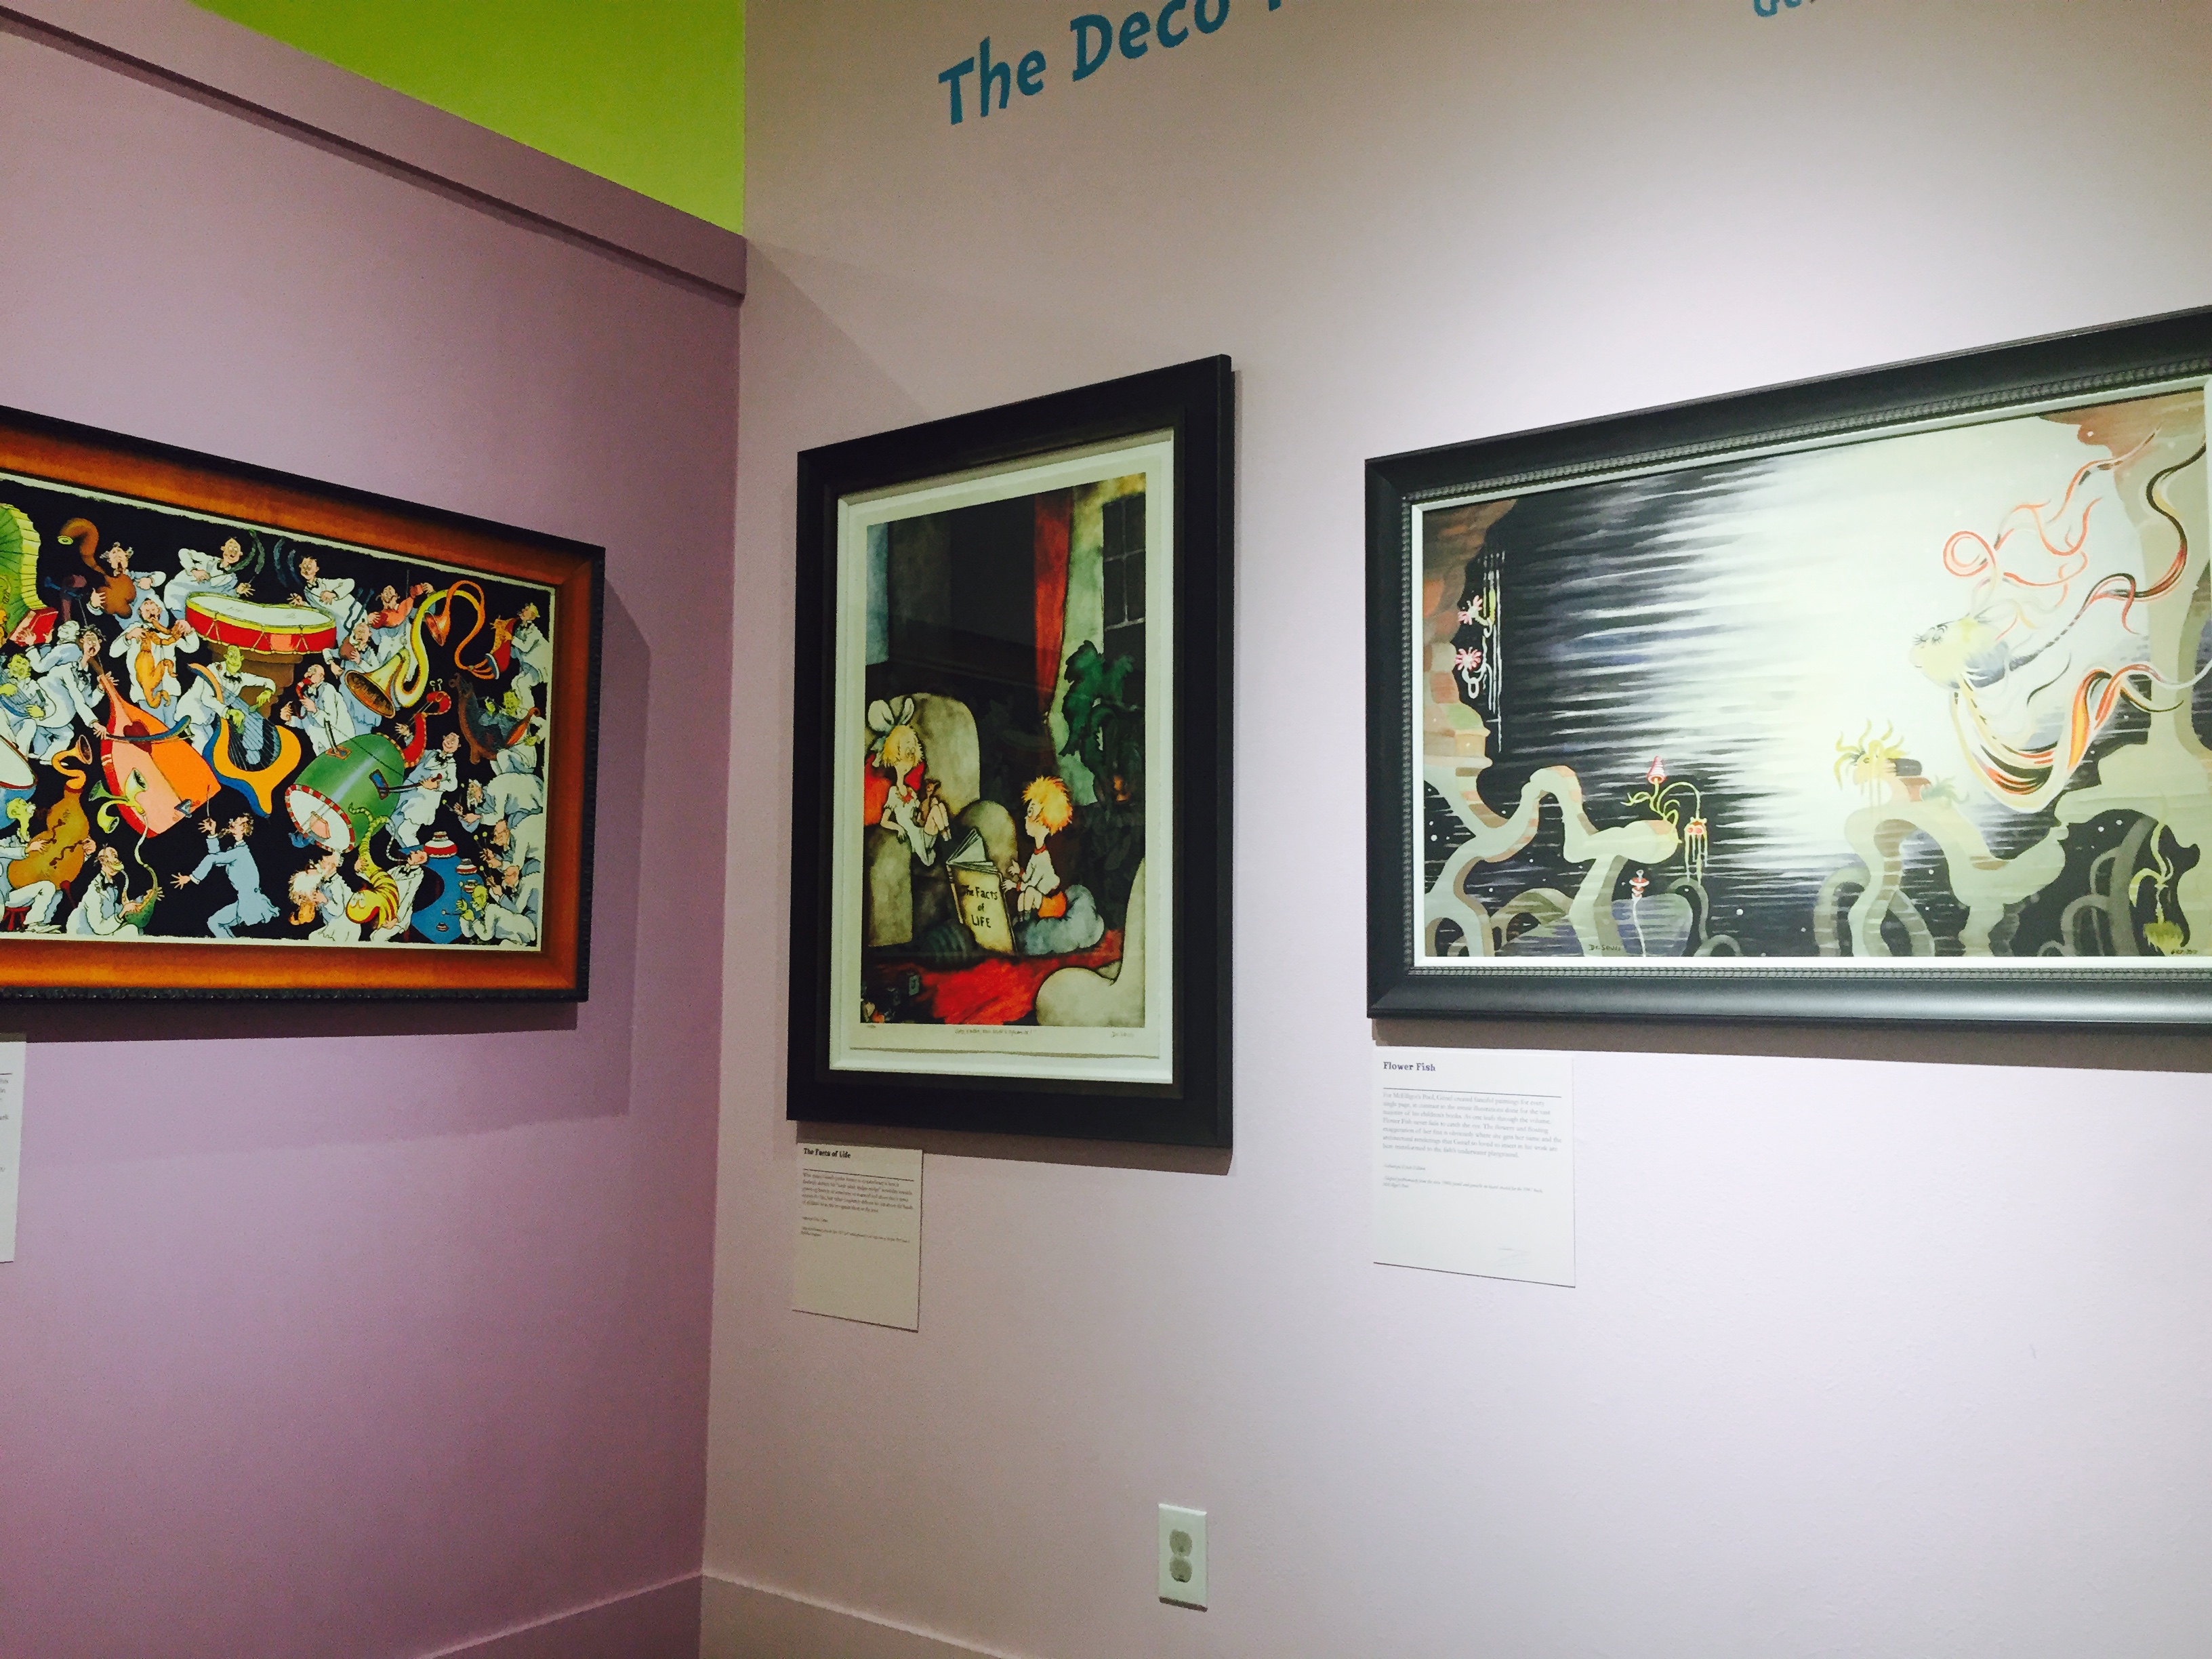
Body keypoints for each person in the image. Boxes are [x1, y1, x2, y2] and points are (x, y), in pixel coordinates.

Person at [1007, 774, 1104, 957]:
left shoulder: (1044, 857)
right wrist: (1019, 873)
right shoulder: (1037, 854)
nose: (1026, 818)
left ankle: (1024, 929)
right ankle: (1022, 927)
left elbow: (1036, 885)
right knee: (1025, 896)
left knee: (1029, 893)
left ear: (1044, 821)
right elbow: (1030, 876)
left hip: (1054, 904)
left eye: (1031, 812)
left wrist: (1016, 885)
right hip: (1045, 901)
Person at [173, 813, 278, 939]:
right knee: (215, 923)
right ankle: (235, 948)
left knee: (215, 923)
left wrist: (191, 877)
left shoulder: (241, 852)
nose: (233, 823)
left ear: (244, 829)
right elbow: (217, 860)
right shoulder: (237, 851)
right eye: (235, 820)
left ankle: (234, 949)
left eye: (238, 822)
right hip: (246, 900)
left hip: (250, 902)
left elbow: (213, 859)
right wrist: (212, 833)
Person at [110, 594, 201, 719]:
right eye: (147, 610)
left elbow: (191, 648)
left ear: (159, 611)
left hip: (169, 688)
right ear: (140, 613)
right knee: (156, 724)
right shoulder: (135, 630)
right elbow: (113, 652)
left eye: (153, 609)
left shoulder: (167, 633)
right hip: (144, 692)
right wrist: (129, 636)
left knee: (171, 723)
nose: (150, 612)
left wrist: (189, 631)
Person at [0, 798, 63, 932]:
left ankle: (42, 924)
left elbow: (53, 860)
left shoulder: (30, 838)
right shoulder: (7, 842)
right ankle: (33, 925)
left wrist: (85, 855)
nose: (28, 805)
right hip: (7, 896)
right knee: (47, 887)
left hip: (25, 889)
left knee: (57, 892)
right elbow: (3, 851)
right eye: (22, 804)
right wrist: (26, 850)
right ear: (15, 813)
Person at [389, 731, 458, 848]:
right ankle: (411, 854)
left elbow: (453, 785)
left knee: (405, 832)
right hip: (407, 792)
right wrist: (408, 736)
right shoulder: (432, 754)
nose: (450, 742)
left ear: (457, 747)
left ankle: (420, 856)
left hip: (422, 802)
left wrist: (436, 786)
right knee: (392, 825)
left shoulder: (451, 764)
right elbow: (417, 753)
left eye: (454, 741)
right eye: (449, 738)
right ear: (444, 738)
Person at [162, 537, 255, 618]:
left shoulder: (232, 579)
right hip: (177, 597)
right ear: (223, 548)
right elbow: (184, 552)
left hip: (196, 610)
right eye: (230, 547)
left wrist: (237, 592)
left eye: (236, 549)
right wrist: (194, 571)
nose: (233, 552)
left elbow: (223, 598)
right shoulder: (208, 560)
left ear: (240, 554)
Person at [67, 844, 146, 939]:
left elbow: (114, 909)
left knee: (137, 930)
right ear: (102, 861)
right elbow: (99, 927)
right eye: (114, 856)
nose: (117, 860)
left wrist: (143, 899)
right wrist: (123, 912)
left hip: (104, 929)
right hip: (85, 933)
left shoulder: (112, 885)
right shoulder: (94, 890)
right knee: (131, 930)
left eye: (116, 857)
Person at [281, 661, 359, 756]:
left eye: (313, 672)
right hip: (321, 747)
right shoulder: (307, 695)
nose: (308, 674)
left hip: (340, 744)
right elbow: (306, 723)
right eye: (309, 671)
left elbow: (330, 721)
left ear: (321, 677)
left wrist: (315, 710)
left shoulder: (328, 691)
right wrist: (289, 720)